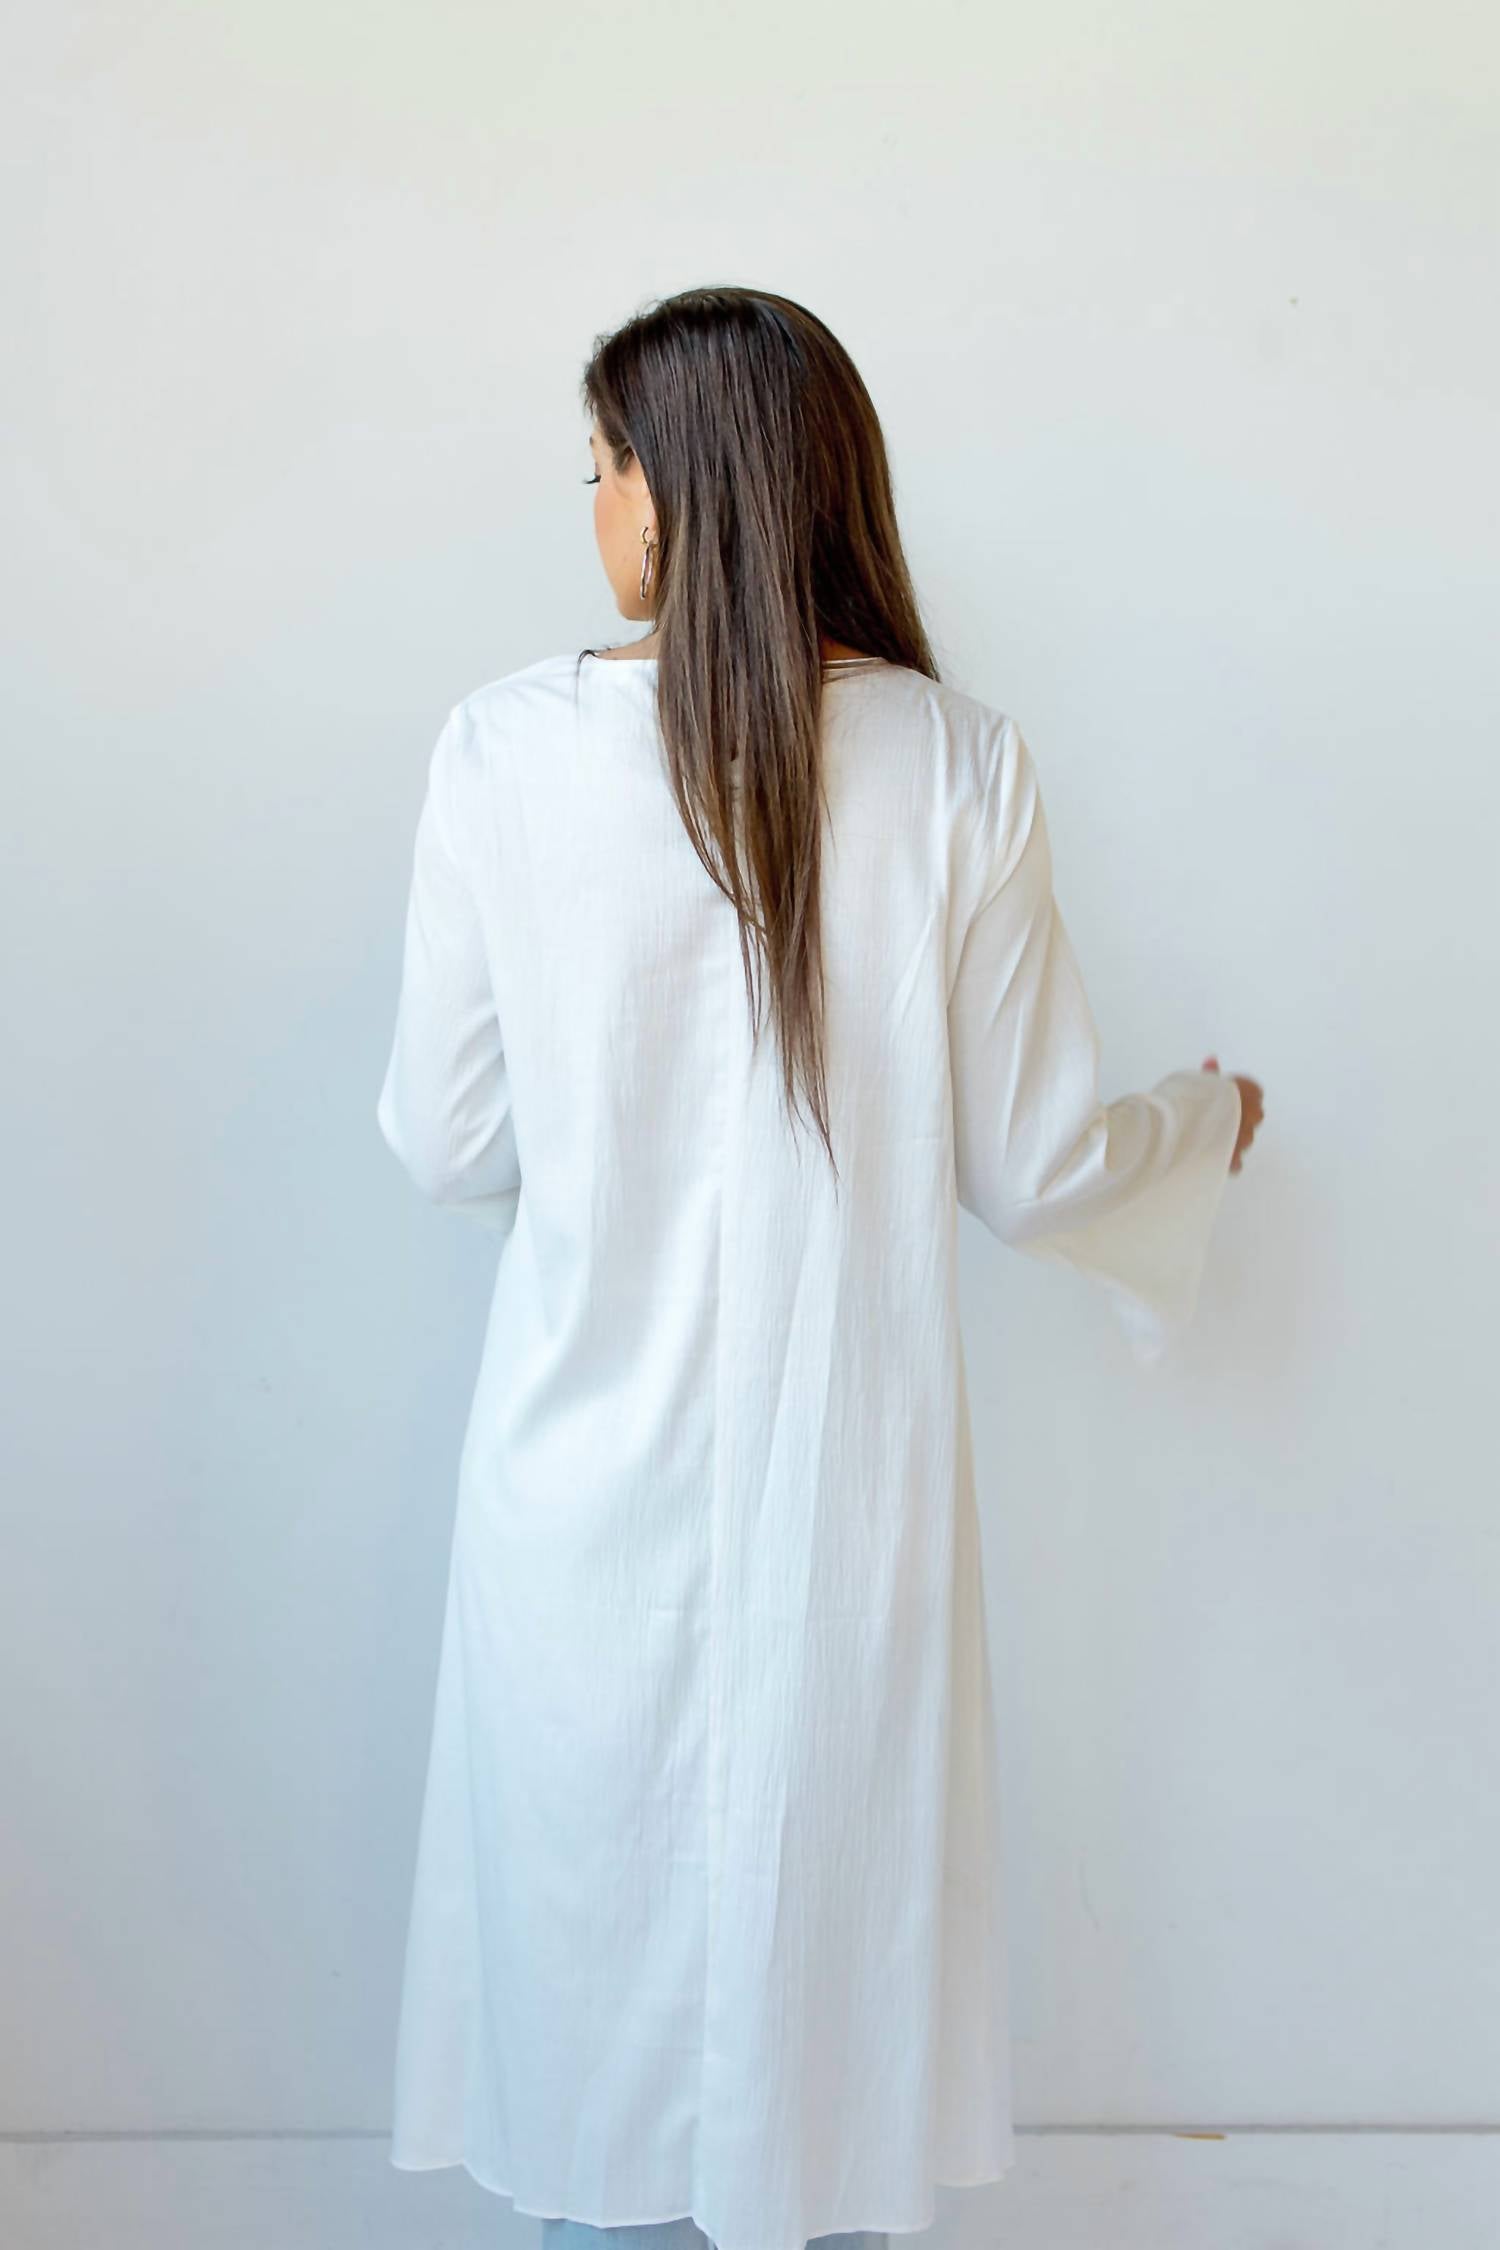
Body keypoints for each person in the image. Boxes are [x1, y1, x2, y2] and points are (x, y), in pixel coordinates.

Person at [375, 285, 1264, 2250]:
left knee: (591, 2049)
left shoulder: (505, 752)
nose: (591, 507)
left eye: (600, 465)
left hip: (571, 1516)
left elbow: (443, 1139)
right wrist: (1202, 1122)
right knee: (826, 2041)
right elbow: (1038, 1168)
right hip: (842, 1519)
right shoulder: (959, 764)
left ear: (673, 491)